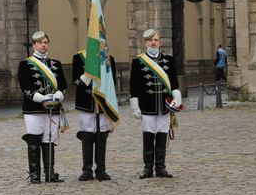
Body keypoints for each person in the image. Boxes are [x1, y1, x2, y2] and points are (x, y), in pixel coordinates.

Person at [129, 28, 181, 179]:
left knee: (161, 136)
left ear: (160, 42)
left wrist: (176, 100)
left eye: (156, 40)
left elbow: (174, 84)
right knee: (148, 136)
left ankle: (161, 166)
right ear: (145, 42)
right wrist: (135, 107)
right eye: (150, 40)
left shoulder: (168, 60)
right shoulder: (138, 62)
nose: (153, 43)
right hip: (147, 105)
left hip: (164, 106)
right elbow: (133, 86)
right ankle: (147, 168)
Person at [17, 30, 68, 184]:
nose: (43, 45)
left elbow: (63, 85)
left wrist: (59, 95)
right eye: (40, 43)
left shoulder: (56, 64)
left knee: (49, 140)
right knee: (34, 140)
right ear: (34, 45)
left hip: (53, 108)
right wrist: (41, 98)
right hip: (34, 108)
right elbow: (24, 86)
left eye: (45, 42)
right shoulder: (25, 64)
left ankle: (50, 173)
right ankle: (35, 174)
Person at [71, 49, 117, 181]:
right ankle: (87, 169)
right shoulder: (79, 57)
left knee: (102, 135)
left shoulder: (108, 58)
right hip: (86, 102)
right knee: (87, 135)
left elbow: (112, 82)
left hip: (102, 103)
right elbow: (75, 81)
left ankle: (101, 169)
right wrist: (88, 73)